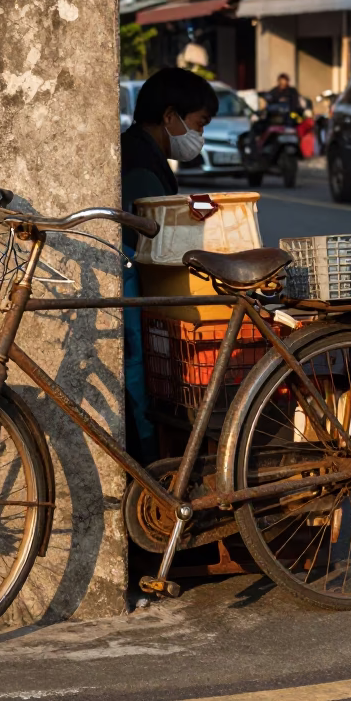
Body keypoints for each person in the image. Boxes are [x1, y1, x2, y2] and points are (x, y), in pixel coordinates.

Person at [120, 68, 219, 465]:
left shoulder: (140, 151)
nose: (201, 136)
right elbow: (157, 232)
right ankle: (147, 474)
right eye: (200, 124)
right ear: (169, 116)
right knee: (139, 384)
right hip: (132, 286)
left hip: (136, 284)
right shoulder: (142, 163)